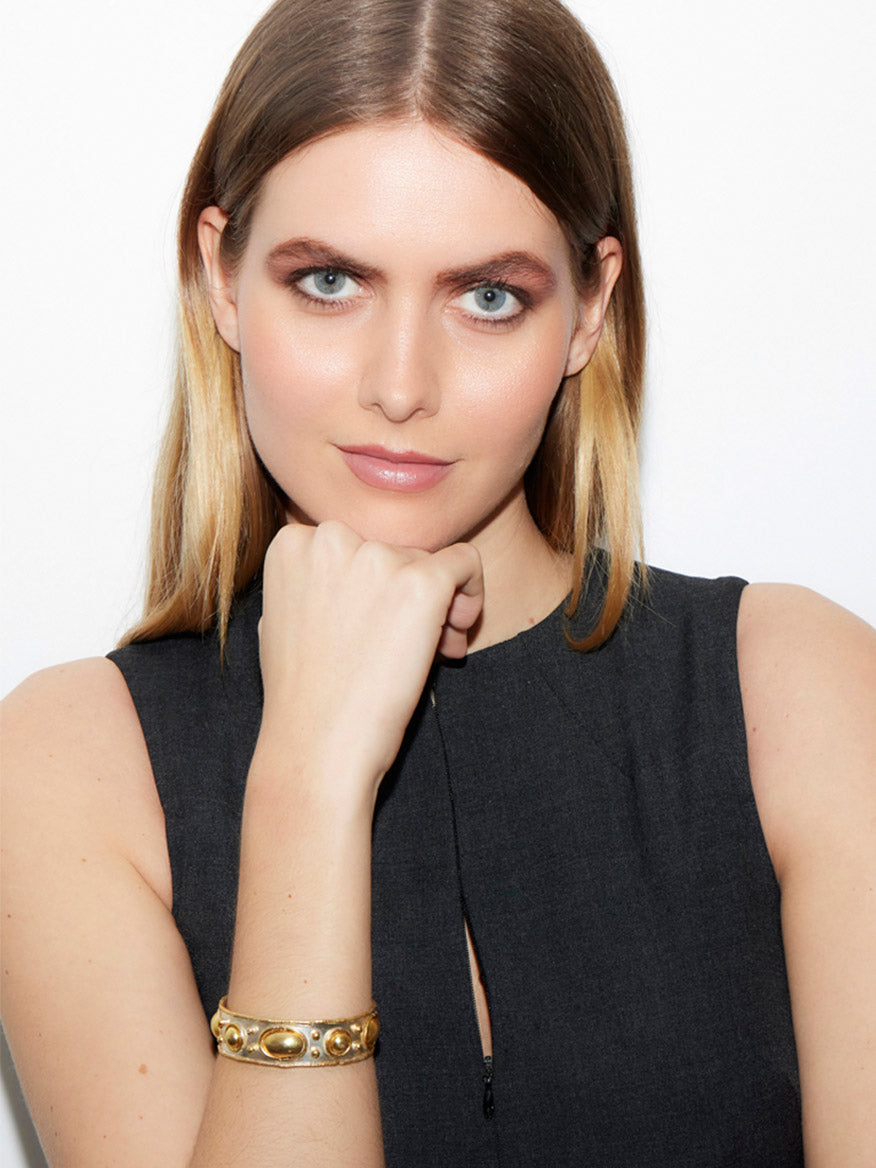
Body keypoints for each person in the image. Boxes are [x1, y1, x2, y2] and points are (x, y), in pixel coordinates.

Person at [2, 0, 874, 1164]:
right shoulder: (69, 764)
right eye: (328, 282)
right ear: (218, 276)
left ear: (590, 308)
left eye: (488, 295)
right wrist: (307, 780)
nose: (400, 383)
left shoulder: (797, 694)